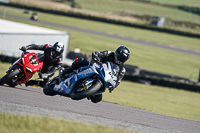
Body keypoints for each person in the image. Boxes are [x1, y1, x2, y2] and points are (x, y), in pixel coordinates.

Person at [62, 46, 130, 103]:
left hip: (105, 77)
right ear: (117, 54)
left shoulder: (122, 69)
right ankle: (66, 71)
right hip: (96, 67)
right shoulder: (109, 53)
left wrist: (113, 86)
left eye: (123, 59)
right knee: (81, 61)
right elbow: (96, 54)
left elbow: (118, 80)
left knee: (97, 99)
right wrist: (97, 60)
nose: (121, 59)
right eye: (121, 57)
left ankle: (86, 90)